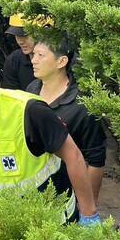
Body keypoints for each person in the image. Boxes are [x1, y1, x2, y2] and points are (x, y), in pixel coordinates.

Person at [0, 49, 100, 225]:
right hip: (6, 231)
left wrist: (88, 213)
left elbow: (73, 156)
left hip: (52, 225)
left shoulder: (29, 110)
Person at [27, 35, 106, 202]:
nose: (34, 60)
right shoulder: (31, 90)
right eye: (33, 54)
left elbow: (96, 161)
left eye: (40, 55)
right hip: (32, 190)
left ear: (61, 62)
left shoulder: (82, 105)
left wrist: (87, 209)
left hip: (66, 194)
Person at [1, 0, 37, 91]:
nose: (20, 41)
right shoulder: (13, 61)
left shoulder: (59, 58)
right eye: (17, 35)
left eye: (25, 35)